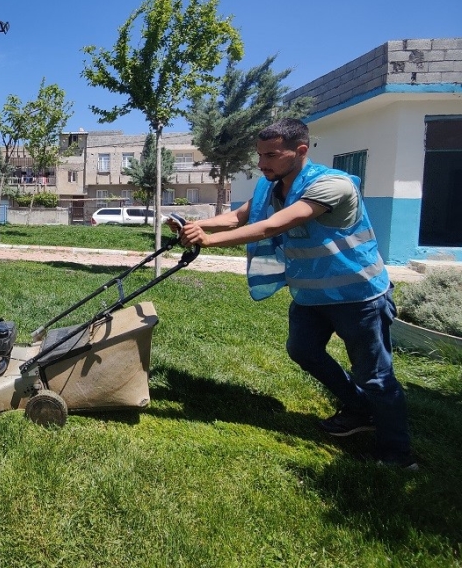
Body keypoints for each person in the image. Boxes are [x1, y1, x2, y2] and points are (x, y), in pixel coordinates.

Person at [173, 118, 415, 469]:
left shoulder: (332, 185)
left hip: (357, 297)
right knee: (302, 350)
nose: (262, 163)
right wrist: (192, 224)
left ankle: (397, 453)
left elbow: (279, 223)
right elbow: (240, 217)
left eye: (271, 155)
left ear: (300, 150)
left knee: (374, 375)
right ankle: (360, 409)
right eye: (259, 155)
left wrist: (208, 241)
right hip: (312, 296)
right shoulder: (272, 187)